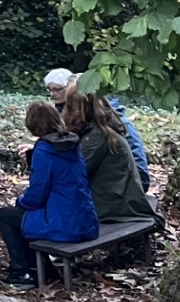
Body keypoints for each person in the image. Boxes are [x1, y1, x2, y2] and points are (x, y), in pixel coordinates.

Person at [0, 100, 96, 288]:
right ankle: (43, 268)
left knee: (8, 216)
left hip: (64, 224)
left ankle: (22, 273)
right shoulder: (72, 143)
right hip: (84, 219)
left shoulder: (44, 150)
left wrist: (20, 201)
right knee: (27, 218)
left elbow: (36, 196)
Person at [62, 89, 156, 227]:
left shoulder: (95, 137)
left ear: (77, 107)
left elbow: (72, 176)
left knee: (24, 217)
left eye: (68, 105)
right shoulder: (104, 126)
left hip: (114, 207)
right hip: (119, 198)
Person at [46, 68, 150, 189]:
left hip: (118, 195)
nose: (52, 95)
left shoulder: (102, 131)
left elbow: (72, 173)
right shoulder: (88, 126)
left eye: (69, 104)